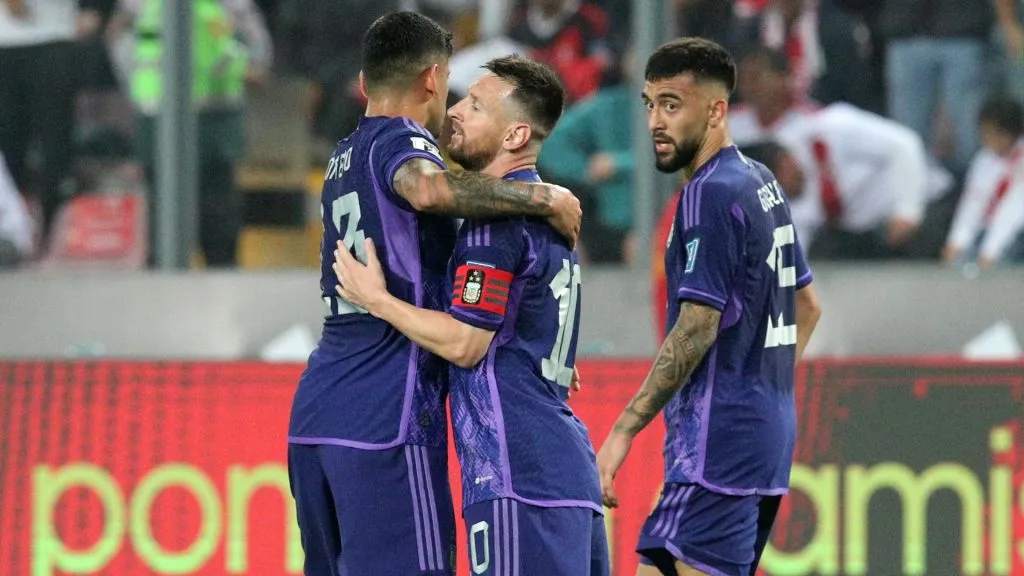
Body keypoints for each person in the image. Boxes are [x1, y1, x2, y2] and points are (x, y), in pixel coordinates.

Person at [285, 13, 583, 576]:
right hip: (387, 417)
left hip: (316, 416)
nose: (455, 106)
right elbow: (426, 188)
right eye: (455, 88)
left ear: (364, 83)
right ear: (432, 78)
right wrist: (544, 198)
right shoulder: (402, 140)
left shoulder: (343, 157)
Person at [595, 38, 822, 576]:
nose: (655, 121)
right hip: (761, 440)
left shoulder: (708, 192)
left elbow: (697, 327)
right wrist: (760, 392)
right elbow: (808, 306)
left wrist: (623, 430)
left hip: (717, 446)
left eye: (672, 105)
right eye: (650, 104)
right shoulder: (760, 181)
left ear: (716, 111)